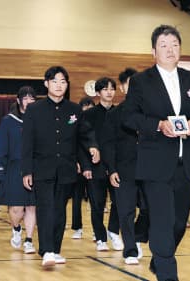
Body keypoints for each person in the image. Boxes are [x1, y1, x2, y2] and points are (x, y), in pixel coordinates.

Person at [122, 25, 190, 281]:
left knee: (178, 223)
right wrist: (157, 125)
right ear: (154, 51)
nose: (169, 49)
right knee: (162, 221)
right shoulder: (141, 82)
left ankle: (160, 257)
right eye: (163, 45)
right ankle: (167, 274)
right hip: (156, 164)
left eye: (174, 43)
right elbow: (129, 116)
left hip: (187, 164)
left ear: (180, 48)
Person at [22, 66, 100, 267]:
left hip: (66, 169)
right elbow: (27, 142)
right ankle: (47, 250)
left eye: (63, 81)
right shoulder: (34, 110)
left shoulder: (74, 110)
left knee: (59, 210)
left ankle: (54, 250)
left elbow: (85, 134)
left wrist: (92, 147)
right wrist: (27, 171)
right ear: (46, 83)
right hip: (42, 168)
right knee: (46, 208)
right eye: (55, 81)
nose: (59, 85)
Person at [102, 67, 148, 265]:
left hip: (149, 169)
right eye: (130, 83)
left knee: (149, 209)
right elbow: (108, 144)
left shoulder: (151, 111)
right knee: (126, 211)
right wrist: (111, 169)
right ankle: (129, 250)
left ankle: (138, 237)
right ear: (123, 87)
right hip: (124, 169)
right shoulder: (115, 114)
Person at [80, 77, 123, 252]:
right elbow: (82, 141)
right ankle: (100, 237)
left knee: (119, 201)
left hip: (116, 166)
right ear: (98, 93)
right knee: (97, 204)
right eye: (105, 89)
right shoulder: (89, 114)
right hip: (95, 165)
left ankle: (113, 230)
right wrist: (86, 166)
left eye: (112, 89)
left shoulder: (120, 113)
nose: (109, 92)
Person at [0, 86, 37, 252]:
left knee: (32, 206)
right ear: (18, 101)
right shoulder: (8, 121)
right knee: (17, 208)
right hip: (14, 168)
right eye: (25, 99)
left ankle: (29, 239)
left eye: (32, 99)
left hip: (34, 168)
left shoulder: (39, 120)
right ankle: (16, 229)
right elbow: (1, 148)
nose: (28, 102)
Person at [70, 97, 95, 239]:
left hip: (94, 164)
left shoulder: (96, 122)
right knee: (77, 198)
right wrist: (75, 161)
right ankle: (77, 228)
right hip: (78, 165)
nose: (87, 109)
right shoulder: (74, 120)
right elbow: (71, 142)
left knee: (95, 200)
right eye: (84, 107)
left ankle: (95, 230)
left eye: (89, 106)